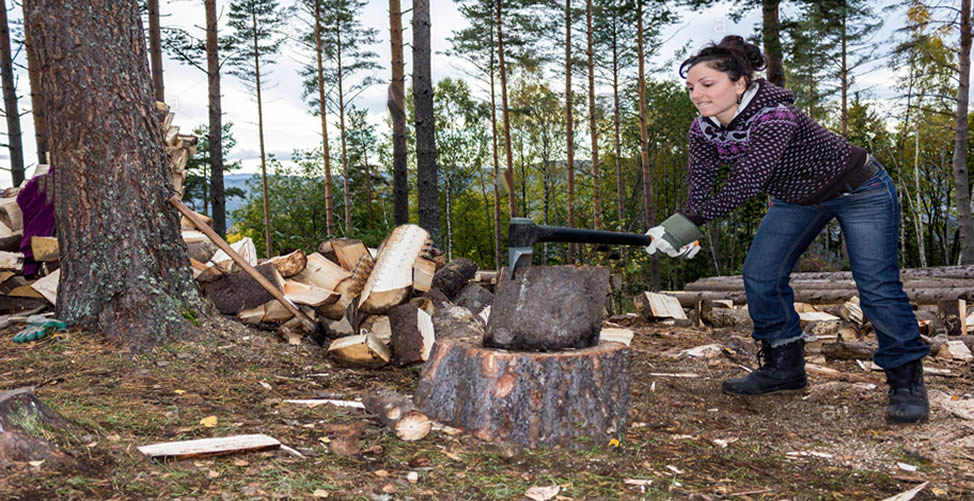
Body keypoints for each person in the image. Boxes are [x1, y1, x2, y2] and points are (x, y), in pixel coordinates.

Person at [645, 35, 930, 424]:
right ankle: (784, 368)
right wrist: (680, 229)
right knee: (761, 274)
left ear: (740, 83)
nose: (696, 94)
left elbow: (745, 183)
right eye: (691, 86)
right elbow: (700, 184)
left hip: (859, 189)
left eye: (707, 84)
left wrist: (689, 224)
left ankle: (906, 381)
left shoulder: (775, 117)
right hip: (798, 198)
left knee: (876, 285)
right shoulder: (704, 128)